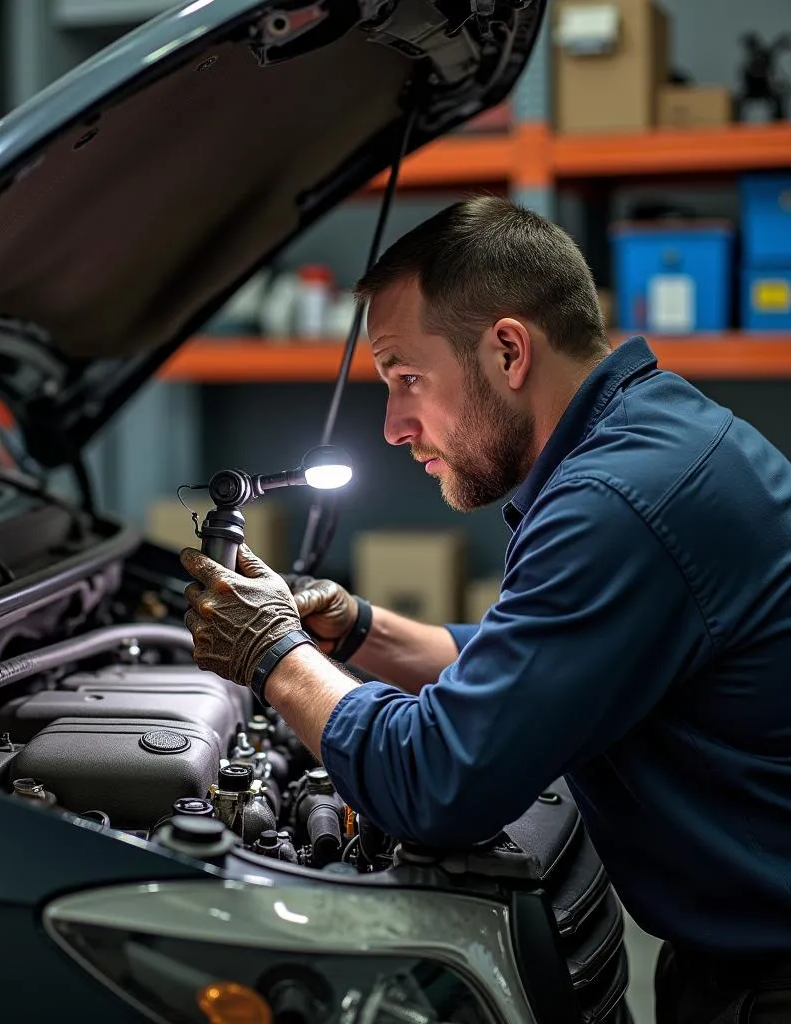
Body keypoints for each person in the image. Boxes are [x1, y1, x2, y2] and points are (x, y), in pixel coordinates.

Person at [180, 196, 791, 1024]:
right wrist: (358, 630)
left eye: (406, 377)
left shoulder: (617, 502)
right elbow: (539, 659)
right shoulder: (652, 436)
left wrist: (274, 656)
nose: (394, 425)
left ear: (507, 350)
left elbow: (439, 781)